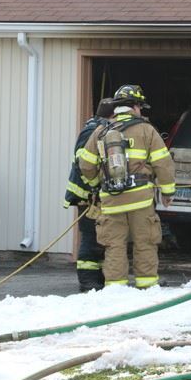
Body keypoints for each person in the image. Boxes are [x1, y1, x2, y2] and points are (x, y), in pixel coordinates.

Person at [78, 84, 175, 288]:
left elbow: (85, 165)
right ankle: (146, 286)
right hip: (141, 199)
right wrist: (167, 192)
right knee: (145, 243)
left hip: (112, 199)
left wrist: (97, 184)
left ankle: (115, 289)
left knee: (114, 246)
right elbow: (163, 164)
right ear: (136, 106)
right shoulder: (147, 130)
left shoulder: (101, 131)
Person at [64, 97, 115, 292]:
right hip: (88, 197)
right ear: (112, 115)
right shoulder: (92, 132)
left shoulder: (98, 128)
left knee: (100, 236)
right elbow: (84, 165)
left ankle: (97, 278)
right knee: (91, 237)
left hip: (93, 195)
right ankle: (88, 281)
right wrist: (95, 188)